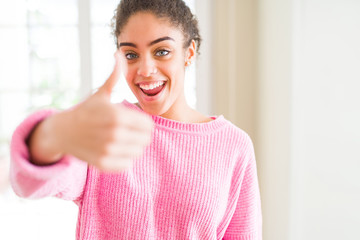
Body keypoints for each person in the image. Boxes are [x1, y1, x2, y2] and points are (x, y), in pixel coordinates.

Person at [10, 0, 262, 239]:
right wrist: (58, 131)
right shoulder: (107, 129)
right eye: (131, 55)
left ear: (189, 52)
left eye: (161, 51)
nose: (144, 70)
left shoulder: (234, 145)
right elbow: (28, 183)